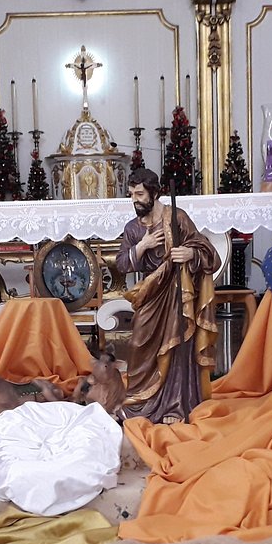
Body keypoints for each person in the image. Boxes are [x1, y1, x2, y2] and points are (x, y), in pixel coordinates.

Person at [114, 167, 220, 424]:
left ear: (154, 193)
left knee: (178, 346)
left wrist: (191, 254)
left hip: (177, 291)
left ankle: (175, 406)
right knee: (139, 343)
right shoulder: (133, 229)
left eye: (139, 194)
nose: (134, 200)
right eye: (131, 194)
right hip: (151, 293)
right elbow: (122, 264)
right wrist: (143, 246)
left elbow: (209, 254)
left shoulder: (177, 218)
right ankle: (140, 399)